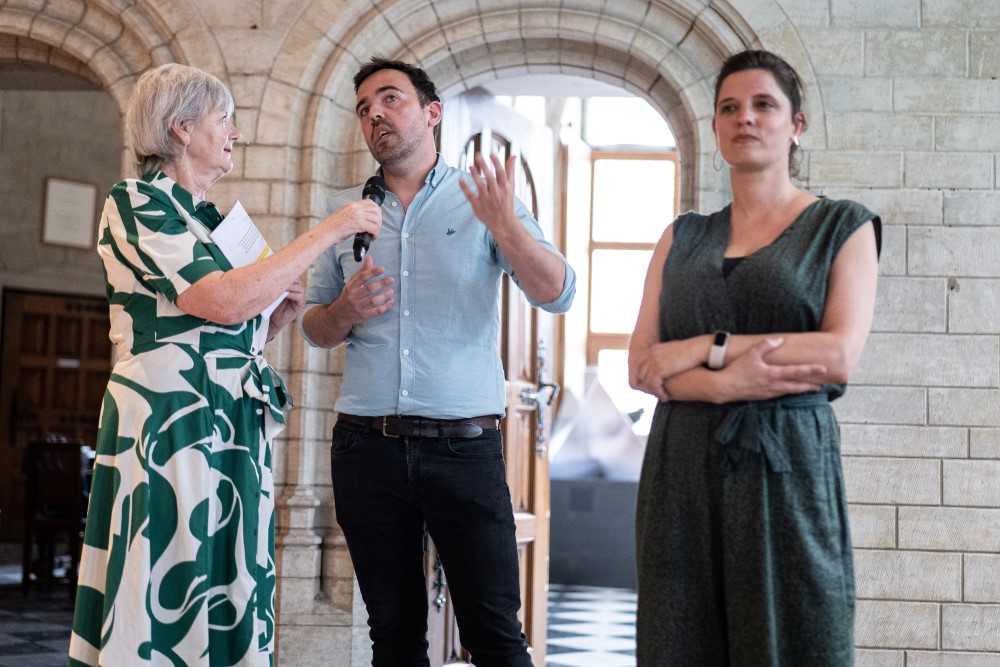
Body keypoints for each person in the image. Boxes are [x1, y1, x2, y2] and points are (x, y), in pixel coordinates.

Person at [68, 63, 381, 666]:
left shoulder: (210, 218)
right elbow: (218, 301)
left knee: (231, 572)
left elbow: (234, 330)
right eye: (224, 119)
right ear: (182, 128)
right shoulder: (136, 202)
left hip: (231, 419)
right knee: (170, 565)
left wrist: (277, 317)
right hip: (169, 419)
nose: (236, 133)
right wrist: (329, 230)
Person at [299, 57, 575, 666]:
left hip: (464, 449)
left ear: (432, 113)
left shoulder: (484, 202)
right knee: (393, 637)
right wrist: (343, 310)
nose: (375, 115)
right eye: (364, 108)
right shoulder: (345, 213)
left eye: (389, 99)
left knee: (495, 637)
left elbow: (557, 293)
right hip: (366, 449)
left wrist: (507, 227)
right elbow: (314, 329)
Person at [628, 49, 881, 666]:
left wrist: (703, 348)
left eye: (764, 104)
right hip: (681, 468)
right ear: (716, 129)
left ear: (796, 125)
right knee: (679, 637)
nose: (745, 117)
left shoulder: (842, 227)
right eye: (729, 107)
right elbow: (641, 366)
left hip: (786, 467)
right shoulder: (680, 236)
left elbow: (836, 355)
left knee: (798, 636)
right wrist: (723, 385)